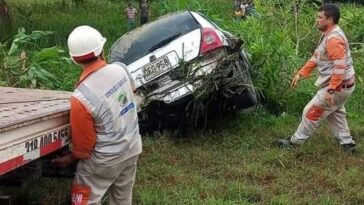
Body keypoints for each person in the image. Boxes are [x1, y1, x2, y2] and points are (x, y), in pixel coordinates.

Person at [52, 25, 142, 205]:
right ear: (101, 49)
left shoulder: (81, 98)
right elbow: (132, 93)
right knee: (122, 199)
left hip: (104, 162)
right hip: (132, 148)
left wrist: (69, 159)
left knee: (85, 201)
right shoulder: (121, 69)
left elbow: (84, 146)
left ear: (75, 60)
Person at [277, 4, 357, 153]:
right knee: (336, 113)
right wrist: (301, 73)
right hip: (344, 85)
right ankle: (348, 144)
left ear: (330, 20)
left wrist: (331, 90)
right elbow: (316, 57)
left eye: (320, 18)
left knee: (311, 111)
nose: (317, 20)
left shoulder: (333, 39)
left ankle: (295, 142)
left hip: (339, 86)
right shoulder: (327, 35)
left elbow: (340, 68)